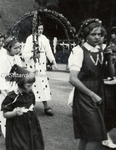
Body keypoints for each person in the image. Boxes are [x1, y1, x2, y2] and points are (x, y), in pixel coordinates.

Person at [68, 18, 108, 150]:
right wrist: (92, 94)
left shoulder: (101, 51)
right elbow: (73, 79)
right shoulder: (79, 51)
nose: (97, 37)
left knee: (87, 135)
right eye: (93, 34)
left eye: (99, 34)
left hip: (99, 92)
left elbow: (109, 74)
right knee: (96, 136)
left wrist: (109, 59)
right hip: (85, 96)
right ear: (85, 35)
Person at [1, 64, 44, 150]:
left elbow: (32, 106)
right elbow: (5, 114)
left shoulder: (31, 94)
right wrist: (14, 113)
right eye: (28, 86)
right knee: (20, 146)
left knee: (34, 143)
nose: (31, 88)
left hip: (31, 123)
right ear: (20, 84)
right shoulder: (12, 97)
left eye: (32, 85)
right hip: (17, 126)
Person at [23, 23, 57, 116]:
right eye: (39, 29)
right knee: (32, 83)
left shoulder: (44, 38)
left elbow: (48, 50)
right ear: (34, 29)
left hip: (41, 63)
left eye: (42, 29)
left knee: (43, 83)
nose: (40, 31)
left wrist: (53, 61)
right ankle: (30, 106)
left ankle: (46, 106)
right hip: (33, 64)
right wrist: (32, 55)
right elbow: (25, 53)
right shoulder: (30, 38)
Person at [0, 36, 22, 137]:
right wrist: (6, 91)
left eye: (19, 47)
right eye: (15, 48)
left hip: (16, 88)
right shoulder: (2, 59)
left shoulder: (18, 58)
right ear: (9, 47)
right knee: (7, 114)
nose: (18, 50)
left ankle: (16, 135)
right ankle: (8, 137)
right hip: (6, 90)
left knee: (17, 113)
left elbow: (20, 72)